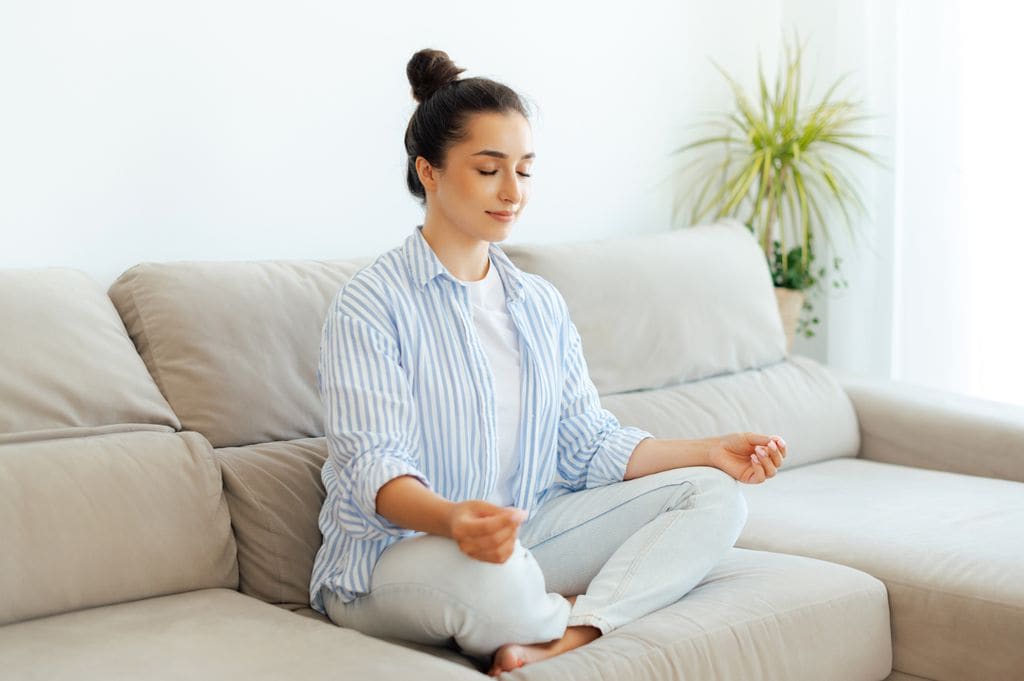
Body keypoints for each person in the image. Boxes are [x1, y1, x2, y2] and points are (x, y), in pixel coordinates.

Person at [309, 48, 788, 677]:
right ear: (428, 171)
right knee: (497, 582)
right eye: (489, 170)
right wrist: (456, 520)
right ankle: (544, 603)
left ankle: (577, 629)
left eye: (525, 171)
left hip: (524, 532)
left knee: (715, 497)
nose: (513, 193)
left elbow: (585, 445)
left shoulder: (536, 303)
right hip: (398, 555)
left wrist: (707, 450)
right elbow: (374, 467)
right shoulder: (371, 304)